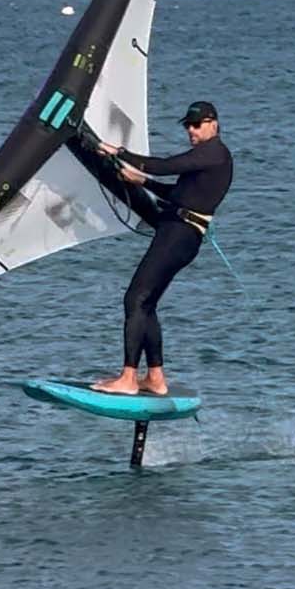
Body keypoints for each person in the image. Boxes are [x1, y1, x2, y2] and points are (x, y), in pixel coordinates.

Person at [92, 101, 233, 395]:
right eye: (187, 126)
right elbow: (177, 192)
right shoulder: (205, 159)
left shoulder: (214, 153)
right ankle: (155, 378)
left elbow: (167, 166)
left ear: (213, 124)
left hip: (179, 235)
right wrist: (142, 181)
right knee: (146, 303)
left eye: (197, 125)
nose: (191, 130)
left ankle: (128, 379)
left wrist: (120, 153)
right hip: (177, 231)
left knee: (134, 299)